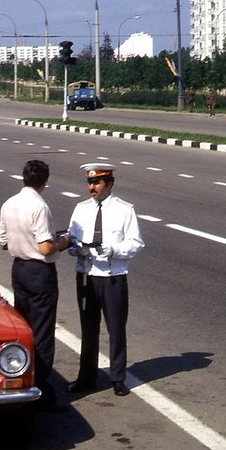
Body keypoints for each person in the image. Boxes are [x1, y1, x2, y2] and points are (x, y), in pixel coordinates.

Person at [0, 159, 72, 411]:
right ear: (45, 182)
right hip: (40, 272)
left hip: (18, 269)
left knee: (24, 327)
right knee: (42, 330)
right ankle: (39, 384)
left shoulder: (9, 203)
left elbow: (4, 242)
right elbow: (45, 247)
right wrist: (64, 241)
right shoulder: (40, 206)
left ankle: (21, 374)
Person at [66, 163, 144, 397]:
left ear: (109, 184)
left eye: (96, 182)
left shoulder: (124, 209)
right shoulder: (81, 209)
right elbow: (70, 239)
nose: (92, 186)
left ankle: (118, 377)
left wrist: (113, 250)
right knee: (88, 329)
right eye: (89, 182)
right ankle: (86, 377)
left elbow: (136, 243)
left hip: (112, 277)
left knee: (116, 329)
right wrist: (77, 249)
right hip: (87, 276)